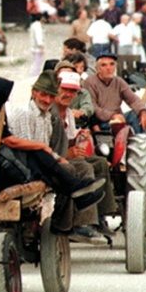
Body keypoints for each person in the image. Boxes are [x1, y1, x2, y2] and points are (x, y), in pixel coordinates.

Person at [0, 75, 105, 228]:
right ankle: (75, 191)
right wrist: (41, 146)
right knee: (37, 154)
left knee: (38, 158)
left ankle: (77, 190)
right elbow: (10, 140)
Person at [50, 71, 117, 239]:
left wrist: (80, 139)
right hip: (52, 160)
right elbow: (46, 147)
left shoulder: (69, 115)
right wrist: (69, 153)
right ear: (56, 89)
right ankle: (82, 223)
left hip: (64, 155)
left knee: (100, 163)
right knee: (84, 167)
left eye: (72, 92)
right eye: (64, 90)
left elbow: (71, 142)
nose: (68, 95)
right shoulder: (51, 113)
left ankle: (101, 215)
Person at [83, 53, 146, 134]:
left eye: (112, 64)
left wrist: (143, 111)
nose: (108, 68)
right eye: (104, 65)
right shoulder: (90, 82)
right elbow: (93, 107)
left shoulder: (119, 81)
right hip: (101, 122)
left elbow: (133, 99)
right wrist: (112, 115)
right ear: (97, 69)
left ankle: (139, 141)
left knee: (135, 114)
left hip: (119, 118)